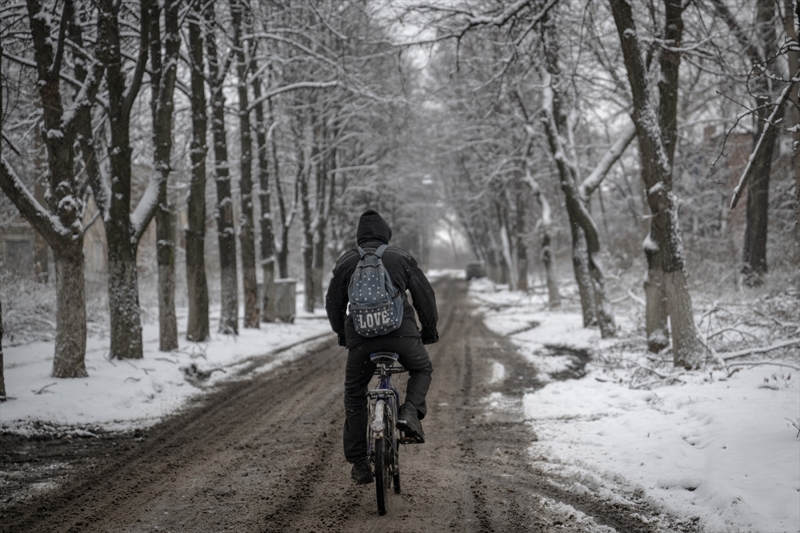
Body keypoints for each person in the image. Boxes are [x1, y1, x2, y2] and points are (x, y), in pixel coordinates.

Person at [325, 209, 439, 485]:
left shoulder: (348, 261)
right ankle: (410, 412)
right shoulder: (399, 257)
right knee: (422, 368)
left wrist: (343, 334)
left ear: (359, 237)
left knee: (354, 394)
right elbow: (425, 295)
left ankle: (359, 463)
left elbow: (333, 303)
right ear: (386, 234)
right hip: (402, 336)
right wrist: (429, 330)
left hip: (362, 339)